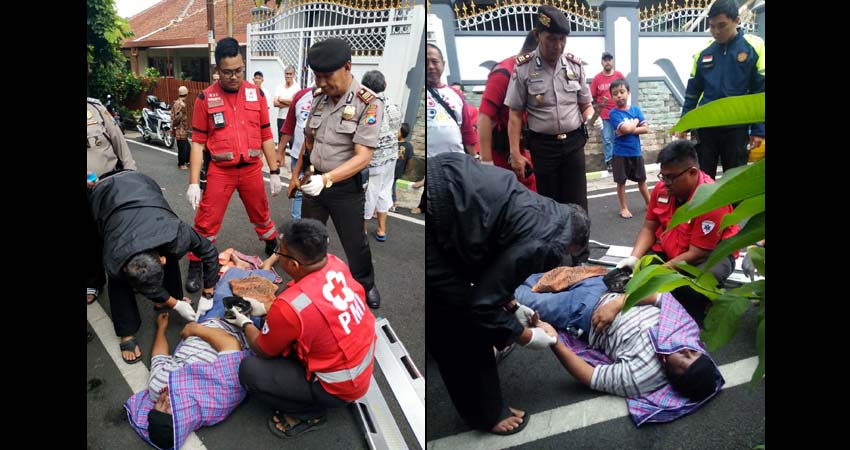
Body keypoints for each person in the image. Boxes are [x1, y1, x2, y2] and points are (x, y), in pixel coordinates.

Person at [426, 152, 588, 435]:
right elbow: (481, 306)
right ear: (571, 242)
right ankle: (486, 415)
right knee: (459, 325)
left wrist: (511, 305)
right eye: (568, 254)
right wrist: (525, 336)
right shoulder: (546, 244)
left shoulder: (544, 209)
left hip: (447, 185)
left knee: (457, 304)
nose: (563, 258)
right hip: (439, 211)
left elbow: (490, 253)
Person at [232, 219, 377, 439]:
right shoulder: (335, 263)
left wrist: (244, 322)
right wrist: (269, 311)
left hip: (338, 389)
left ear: (294, 265)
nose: (277, 256)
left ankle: (308, 413)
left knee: (250, 370)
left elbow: (263, 349)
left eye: (279, 252)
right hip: (358, 364)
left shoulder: (290, 306)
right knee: (274, 326)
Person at [513, 273, 723, 403]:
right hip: (606, 286)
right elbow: (659, 296)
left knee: (517, 296)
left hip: (581, 312)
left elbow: (591, 376)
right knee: (532, 275)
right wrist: (619, 303)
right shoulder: (687, 333)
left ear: (675, 376)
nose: (686, 350)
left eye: (685, 361)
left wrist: (554, 341)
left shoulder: (642, 378)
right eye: (694, 352)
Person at [287, 38, 384, 309]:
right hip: (313, 182)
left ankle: (365, 284)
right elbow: (309, 143)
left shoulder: (368, 102)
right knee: (308, 238)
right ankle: (309, 284)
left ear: (347, 67)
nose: (320, 83)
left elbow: (363, 155)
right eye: (317, 76)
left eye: (326, 76)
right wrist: (296, 176)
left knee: (356, 244)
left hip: (344, 189)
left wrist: (327, 179)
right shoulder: (318, 99)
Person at [89, 170, 220, 364]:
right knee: (118, 285)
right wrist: (175, 305)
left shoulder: (178, 234)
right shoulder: (114, 258)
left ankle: (171, 296)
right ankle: (126, 332)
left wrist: (208, 293)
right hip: (103, 196)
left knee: (170, 253)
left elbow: (209, 252)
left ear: (162, 260)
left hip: (141, 186)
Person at [184, 37, 283, 294]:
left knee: (261, 212)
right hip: (221, 171)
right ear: (217, 70)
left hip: (251, 169)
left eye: (239, 70)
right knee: (206, 220)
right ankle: (196, 264)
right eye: (228, 72)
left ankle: (272, 245)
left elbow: (265, 134)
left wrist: (273, 171)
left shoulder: (256, 94)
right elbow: (197, 143)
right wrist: (194, 182)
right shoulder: (206, 98)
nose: (234, 77)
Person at [504, 5, 594, 264]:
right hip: (543, 147)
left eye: (562, 39)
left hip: (574, 143)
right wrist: (515, 154)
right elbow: (514, 115)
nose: (558, 45)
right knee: (548, 204)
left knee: (578, 203)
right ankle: (552, 258)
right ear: (538, 35)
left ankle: (581, 257)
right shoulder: (523, 69)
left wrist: (590, 116)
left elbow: (585, 104)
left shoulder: (575, 66)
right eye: (551, 39)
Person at [616, 140, 740, 326]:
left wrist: (659, 272)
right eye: (662, 176)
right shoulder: (663, 189)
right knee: (630, 276)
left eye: (670, 177)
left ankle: (704, 302)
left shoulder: (712, 200)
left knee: (690, 290)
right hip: (674, 246)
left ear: (692, 173)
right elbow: (649, 227)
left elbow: (698, 253)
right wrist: (634, 258)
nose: (665, 183)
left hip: (710, 255)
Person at [125, 311, 250, 450]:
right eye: (169, 408)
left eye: (160, 403)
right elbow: (231, 343)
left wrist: (161, 328)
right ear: (183, 418)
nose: (165, 400)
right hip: (238, 328)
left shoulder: (156, 388)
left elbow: (159, 356)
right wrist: (195, 329)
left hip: (204, 321)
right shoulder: (214, 401)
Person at [678, 0, 765, 180]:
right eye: (712, 26)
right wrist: (684, 123)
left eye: (722, 26)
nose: (716, 31)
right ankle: (707, 210)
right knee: (703, 178)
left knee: (734, 180)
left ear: (737, 20)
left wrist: (758, 130)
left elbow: (760, 91)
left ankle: (733, 209)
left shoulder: (754, 48)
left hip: (736, 129)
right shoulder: (704, 52)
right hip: (706, 128)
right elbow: (692, 91)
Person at [87, 96, 137, 306]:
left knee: (119, 233)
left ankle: (130, 276)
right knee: (89, 236)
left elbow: (118, 141)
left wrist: (132, 174)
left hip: (109, 183)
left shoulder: (95, 108)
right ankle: (93, 281)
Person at [478, 30, 539, 192]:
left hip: (521, 150)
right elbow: (484, 117)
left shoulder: (532, 73)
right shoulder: (503, 73)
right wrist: (487, 164)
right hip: (500, 154)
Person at [361, 70, 402, 241]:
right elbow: (397, 128)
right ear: (384, 84)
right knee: (385, 190)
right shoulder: (393, 104)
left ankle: (362, 229)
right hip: (391, 155)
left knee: (370, 192)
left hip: (374, 158)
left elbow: (366, 132)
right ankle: (381, 229)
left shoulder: (368, 106)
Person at [607, 78, 651, 219]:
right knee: (621, 182)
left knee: (642, 180)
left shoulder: (635, 110)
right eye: (615, 93)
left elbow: (646, 129)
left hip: (635, 152)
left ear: (628, 92)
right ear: (612, 97)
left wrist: (632, 125)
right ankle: (624, 208)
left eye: (622, 92)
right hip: (620, 153)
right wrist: (635, 122)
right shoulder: (613, 114)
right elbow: (624, 128)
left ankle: (650, 204)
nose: (619, 95)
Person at [425, 43, 478, 156]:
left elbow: (467, 130)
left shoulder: (456, 94)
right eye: (426, 62)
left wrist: (474, 158)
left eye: (434, 61)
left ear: (443, 64)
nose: (430, 66)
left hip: (457, 160)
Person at [279, 84, 316, 220]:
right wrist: (280, 150)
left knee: (318, 195)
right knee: (298, 191)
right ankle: (297, 225)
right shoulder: (301, 95)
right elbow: (289, 125)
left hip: (321, 159)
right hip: (298, 156)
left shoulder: (335, 98)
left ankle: (313, 227)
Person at [588, 51, 625, 172]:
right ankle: (609, 161)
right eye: (605, 60)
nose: (607, 62)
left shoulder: (619, 75)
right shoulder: (597, 79)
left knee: (619, 137)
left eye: (609, 59)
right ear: (602, 62)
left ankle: (620, 160)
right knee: (607, 138)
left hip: (618, 113)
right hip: (604, 115)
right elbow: (591, 97)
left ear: (612, 61)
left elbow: (625, 91)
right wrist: (596, 111)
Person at [274, 65, 300, 143]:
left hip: (292, 119)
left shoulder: (297, 87)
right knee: (281, 144)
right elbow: (275, 103)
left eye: (290, 74)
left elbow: (295, 102)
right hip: (281, 118)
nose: (288, 76)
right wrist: (289, 102)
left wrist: (281, 99)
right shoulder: (280, 87)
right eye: (286, 74)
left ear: (294, 75)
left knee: (292, 143)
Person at [392, 123, 413, 211]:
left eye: (398, 129)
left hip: (395, 170)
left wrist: (408, 171)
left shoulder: (407, 146)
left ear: (402, 132)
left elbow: (410, 160)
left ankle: (393, 203)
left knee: (391, 186)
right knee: (391, 186)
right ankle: (392, 203)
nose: (396, 131)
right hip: (393, 169)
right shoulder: (393, 143)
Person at [172, 85, 191, 170]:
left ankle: (188, 160)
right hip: (180, 128)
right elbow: (178, 117)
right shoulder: (181, 104)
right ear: (186, 94)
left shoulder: (177, 102)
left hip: (181, 128)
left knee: (187, 146)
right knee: (182, 147)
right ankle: (181, 163)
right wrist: (174, 125)